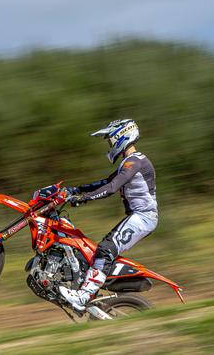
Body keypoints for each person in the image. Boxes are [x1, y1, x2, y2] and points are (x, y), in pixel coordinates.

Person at [59, 119, 158, 311]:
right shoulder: (130, 162)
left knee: (105, 250)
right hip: (139, 217)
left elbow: (111, 188)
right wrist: (76, 189)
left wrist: (82, 198)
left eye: (111, 141)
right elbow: (105, 182)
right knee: (102, 249)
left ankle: (84, 296)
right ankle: (91, 287)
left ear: (122, 137)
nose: (110, 145)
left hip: (144, 217)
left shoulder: (135, 162)